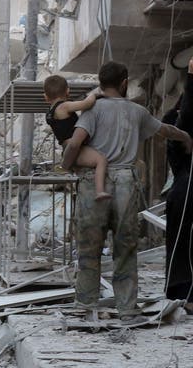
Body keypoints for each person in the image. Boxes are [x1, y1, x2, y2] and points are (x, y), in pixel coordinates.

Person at [62, 61, 192, 325]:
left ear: (101, 83)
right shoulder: (137, 111)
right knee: (125, 247)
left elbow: (75, 142)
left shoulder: (93, 109)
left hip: (93, 183)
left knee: (89, 246)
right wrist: (187, 137)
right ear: (124, 83)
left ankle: (84, 304)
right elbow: (165, 130)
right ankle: (128, 310)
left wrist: (67, 165)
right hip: (125, 183)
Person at [43, 75, 110, 200]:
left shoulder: (50, 113)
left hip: (67, 149)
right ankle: (100, 191)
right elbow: (87, 104)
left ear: (45, 97)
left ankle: (65, 178)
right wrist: (95, 95)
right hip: (76, 149)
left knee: (79, 177)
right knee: (101, 160)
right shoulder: (63, 106)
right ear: (68, 91)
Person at [163, 55, 193, 312]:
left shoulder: (172, 119)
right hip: (186, 192)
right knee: (185, 247)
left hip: (183, 192)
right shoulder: (177, 124)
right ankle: (187, 298)